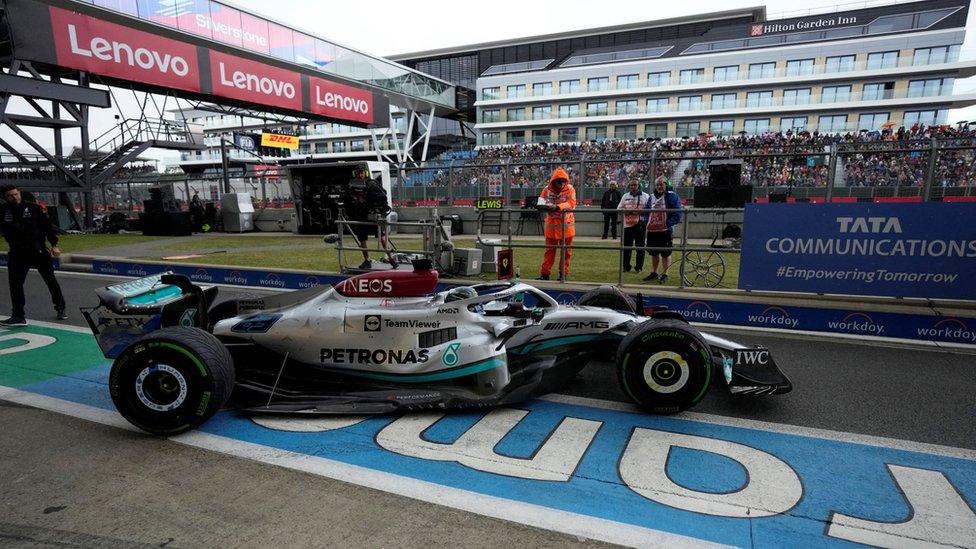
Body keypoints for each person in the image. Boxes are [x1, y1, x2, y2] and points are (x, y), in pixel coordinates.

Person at [0, 185, 66, 325]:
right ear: (5, 198)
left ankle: (60, 307)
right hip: (17, 252)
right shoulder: (3, 211)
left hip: (38, 251)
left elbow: (47, 227)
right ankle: (18, 315)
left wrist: (54, 245)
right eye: (10, 196)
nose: (14, 197)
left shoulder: (33, 208)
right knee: (15, 284)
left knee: (50, 280)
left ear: (20, 193)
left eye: (16, 194)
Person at [345, 167, 392, 270]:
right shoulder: (372, 183)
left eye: (361, 173)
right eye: (358, 173)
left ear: (364, 173)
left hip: (367, 215)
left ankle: (386, 258)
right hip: (370, 215)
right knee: (377, 236)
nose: (360, 175)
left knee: (377, 237)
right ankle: (388, 259)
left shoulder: (369, 184)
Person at [536, 167, 576, 281]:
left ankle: (563, 274)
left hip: (566, 227)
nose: (561, 183)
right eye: (558, 181)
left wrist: (557, 207)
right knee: (549, 252)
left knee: (566, 253)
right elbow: (541, 201)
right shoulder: (546, 190)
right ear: (553, 181)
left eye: (563, 181)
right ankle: (545, 274)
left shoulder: (570, 189)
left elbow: (571, 203)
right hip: (551, 227)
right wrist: (542, 206)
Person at [642, 176, 682, 284]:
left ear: (666, 184)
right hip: (653, 230)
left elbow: (678, 212)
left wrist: (667, 223)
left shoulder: (672, 196)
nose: (659, 186)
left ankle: (665, 274)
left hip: (665, 230)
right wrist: (647, 222)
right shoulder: (651, 197)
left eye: (661, 184)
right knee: (653, 252)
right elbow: (646, 211)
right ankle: (654, 272)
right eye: (657, 185)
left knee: (665, 253)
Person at [617, 179, 649, 273]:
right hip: (627, 225)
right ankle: (626, 267)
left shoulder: (645, 196)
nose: (633, 187)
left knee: (640, 247)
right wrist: (625, 211)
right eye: (631, 185)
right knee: (627, 247)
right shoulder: (625, 196)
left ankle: (639, 267)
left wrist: (641, 212)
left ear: (639, 186)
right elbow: (618, 208)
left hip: (640, 225)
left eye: (635, 185)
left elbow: (649, 210)